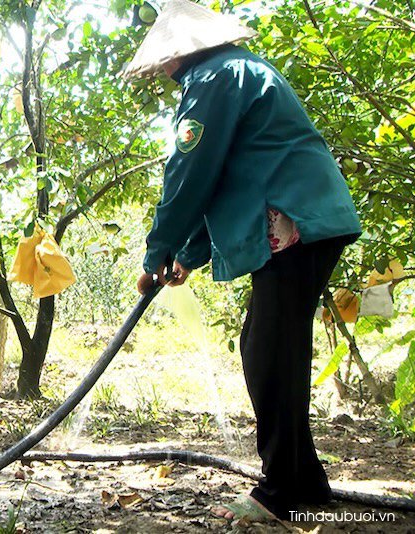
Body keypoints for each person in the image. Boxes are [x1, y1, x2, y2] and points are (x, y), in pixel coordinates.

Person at [124, 0, 361, 522]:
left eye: (165, 61)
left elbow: (190, 172)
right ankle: (306, 482)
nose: (164, 71)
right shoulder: (241, 71)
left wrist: (157, 249)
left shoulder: (211, 78)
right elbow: (234, 175)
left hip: (294, 221)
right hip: (304, 220)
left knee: (268, 353)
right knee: (275, 348)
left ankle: (279, 493)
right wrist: (187, 254)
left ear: (180, 53)